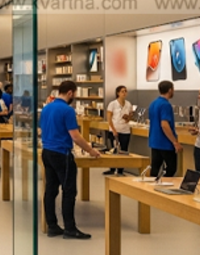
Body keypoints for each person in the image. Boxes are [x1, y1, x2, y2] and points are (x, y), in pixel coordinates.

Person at [39, 80, 101, 240]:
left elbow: (42, 129)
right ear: (70, 93)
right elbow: (75, 135)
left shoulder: (47, 108)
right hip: (62, 153)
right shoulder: (67, 110)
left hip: (47, 152)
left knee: (51, 190)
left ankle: (52, 225)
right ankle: (70, 228)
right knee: (69, 191)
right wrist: (91, 150)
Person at [148, 80, 181, 178]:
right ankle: (163, 185)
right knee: (171, 168)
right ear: (170, 90)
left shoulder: (153, 103)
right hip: (165, 143)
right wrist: (175, 142)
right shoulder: (166, 105)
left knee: (155, 168)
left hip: (154, 141)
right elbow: (164, 125)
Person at [105, 86, 133, 175]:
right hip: (115, 129)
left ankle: (121, 170)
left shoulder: (128, 104)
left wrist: (128, 117)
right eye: (122, 91)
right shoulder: (112, 104)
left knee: (123, 151)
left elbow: (130, 116)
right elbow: (109, 118)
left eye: (125, 91)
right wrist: (113, 130)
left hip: (125, 130)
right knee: (114, 150)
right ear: (118, 93)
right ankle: (112, 168)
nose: (124, 93)